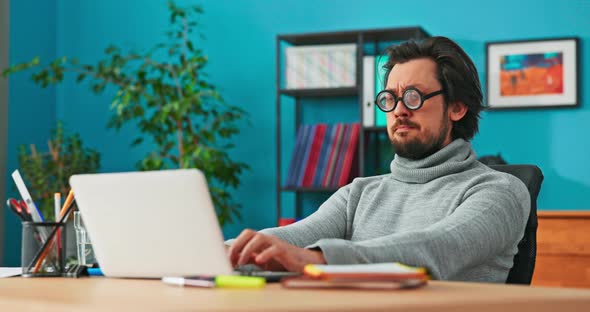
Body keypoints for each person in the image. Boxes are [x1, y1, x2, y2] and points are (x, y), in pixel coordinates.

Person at [227, 36, 530, 283]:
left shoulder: (501, 192)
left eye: (414, 96)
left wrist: (318, 259)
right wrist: (221, 252)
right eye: (390, 98)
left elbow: (434, 249)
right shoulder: (359, 194)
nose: (399, 110)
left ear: (457, 107)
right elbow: (293, 237)